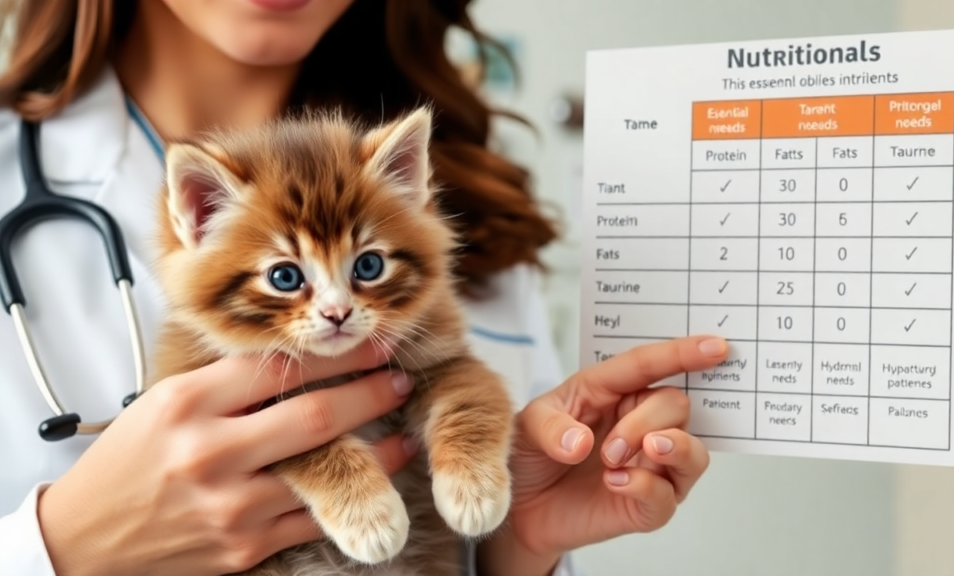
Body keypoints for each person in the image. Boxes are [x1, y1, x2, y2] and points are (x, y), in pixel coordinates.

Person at [0, 1, 728, 575]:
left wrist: (522, 548)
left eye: (364, 268)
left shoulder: (477, 198)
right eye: (287, 276)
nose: (336, 305)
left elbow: (476, 489)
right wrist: (58, 547)